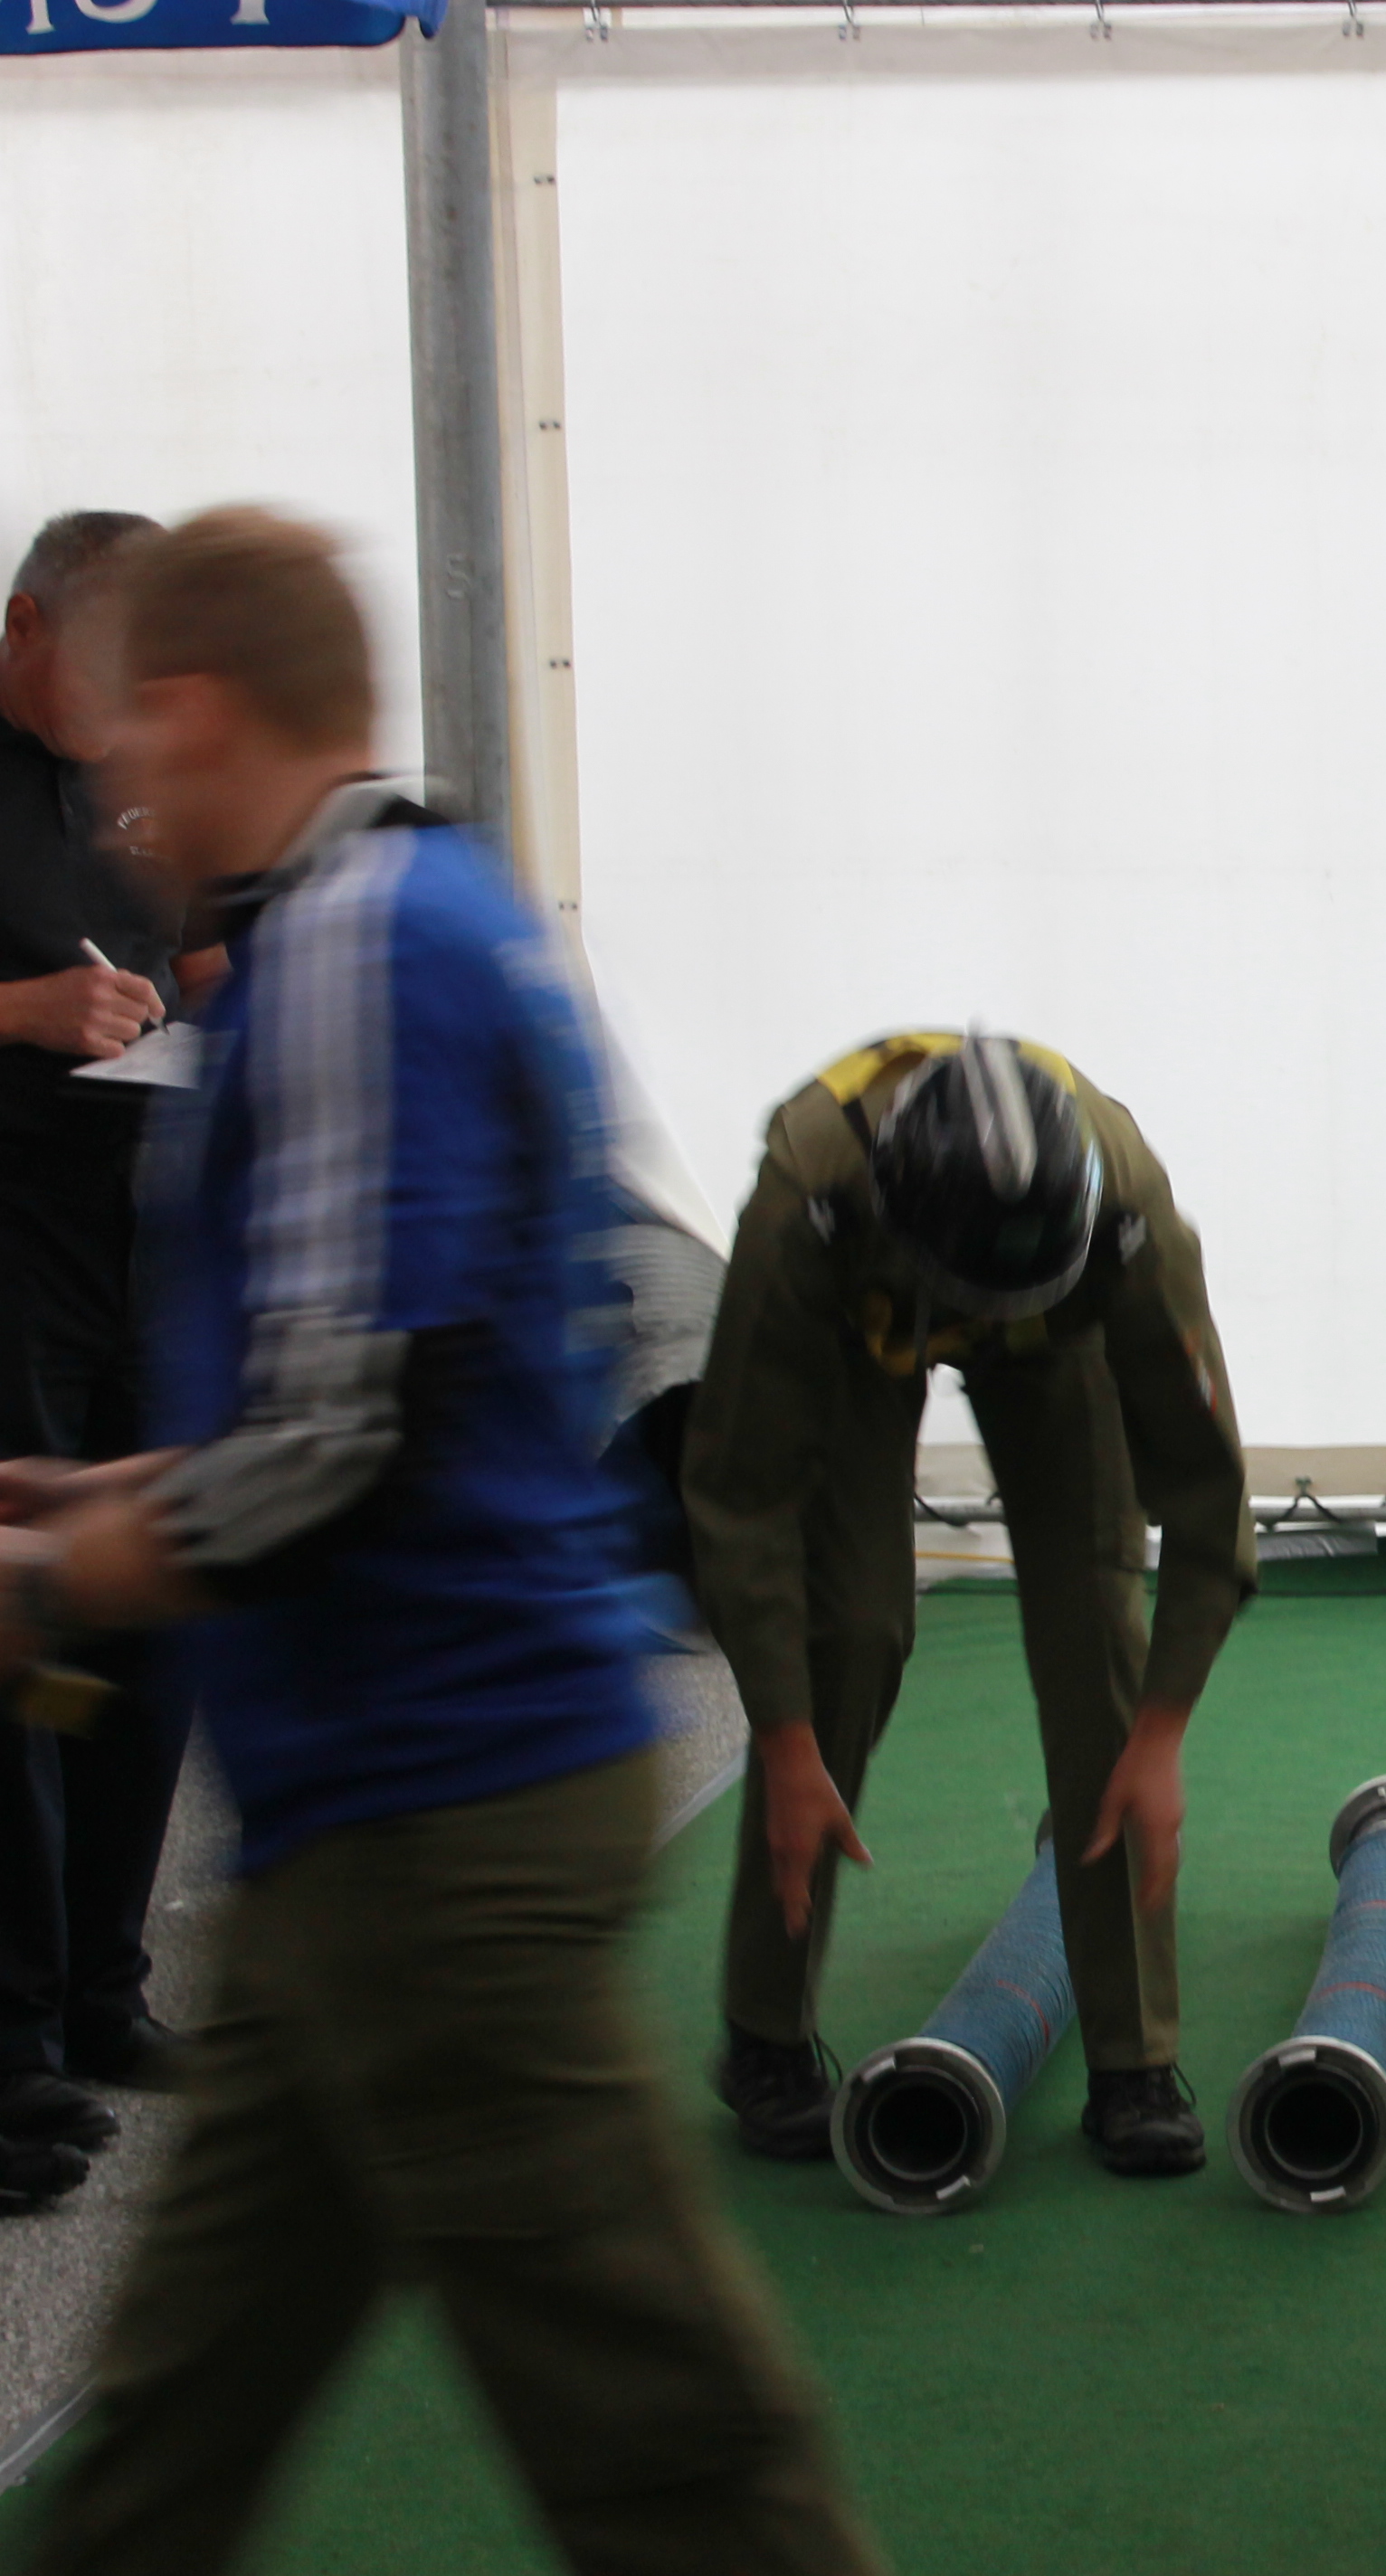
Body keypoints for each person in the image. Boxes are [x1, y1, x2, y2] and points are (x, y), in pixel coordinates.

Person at [0, 505, 881, 2575]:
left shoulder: (359, 955)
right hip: (364, 1811)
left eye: (137, 731)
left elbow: (332, 1452)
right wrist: (90, 1497)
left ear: (205, 705)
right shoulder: (411, 908)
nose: (119, 796)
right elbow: (385, 1383)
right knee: (173, 2430)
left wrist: (49, 1578)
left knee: (674, 2453)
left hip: (445, 1818)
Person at [686, 1027, 1249, 2175]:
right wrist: (787, 1745)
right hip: (867, 1314)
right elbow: (742, 1494)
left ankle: (1135, 2061)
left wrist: (1160, 1732)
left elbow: (1207, 1488)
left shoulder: (1126, 1215)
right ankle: (765, 2033)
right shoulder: (809, 1200)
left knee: (1097, 1642)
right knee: (849, 1633)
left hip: (1059, 1324)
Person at [0, 509, 187, 2177]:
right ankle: (18, 2048)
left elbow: (180, 954)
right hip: (9, 1269)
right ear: (24, 625)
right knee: (22, 1632)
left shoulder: (125, 788)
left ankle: (106, 1989)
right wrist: (22, 1011)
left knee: (155, 1615)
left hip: (132, 1245)